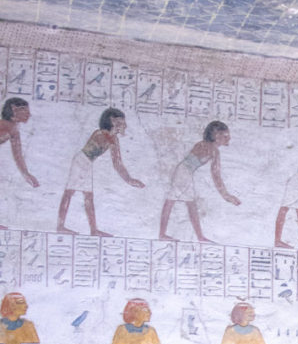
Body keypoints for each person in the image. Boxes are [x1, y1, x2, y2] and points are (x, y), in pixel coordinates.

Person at [57, 107, 143, 236]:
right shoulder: (100, 133)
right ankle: (60, 226)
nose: (124, 125)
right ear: (112, 121)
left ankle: (93, 230)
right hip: (81, 161)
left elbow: (117, 163)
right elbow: (101, 142)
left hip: (87, 164)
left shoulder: (114, 139)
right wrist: (113, 139)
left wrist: (129, 180)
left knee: (88, 196)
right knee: (70, 192)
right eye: (120, 121)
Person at [159, 121, 240, 242]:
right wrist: (226, 196)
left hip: (183, 172)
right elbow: (216, 176)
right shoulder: (213, 150)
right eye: (226, 135)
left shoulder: (205, 145)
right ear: (216, 135)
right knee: (178, 202)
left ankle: (196, 236)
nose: (229, 138)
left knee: (183, 203)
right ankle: (196, 236)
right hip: (184, 174)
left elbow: (214, 173)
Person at [0, 98, 37, 227]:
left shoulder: (14, 129)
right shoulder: (4, 125)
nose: (29, 114)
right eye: (25, 110)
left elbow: (18, 155)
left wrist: (26, 174)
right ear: (14, 109)